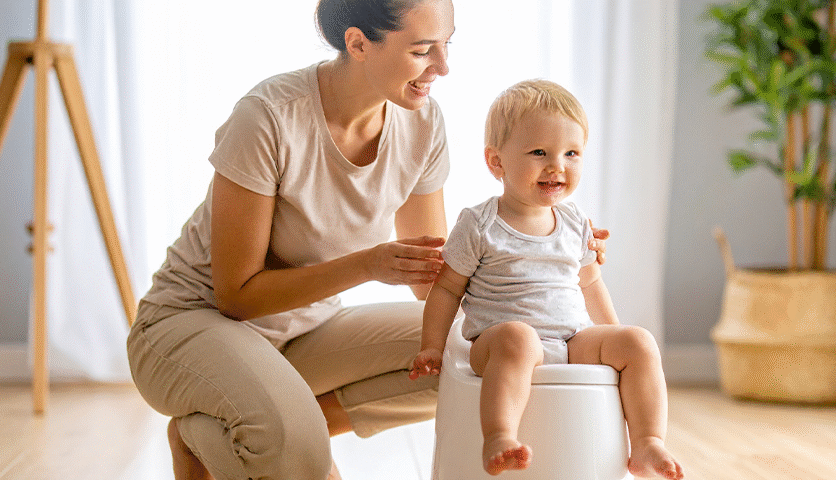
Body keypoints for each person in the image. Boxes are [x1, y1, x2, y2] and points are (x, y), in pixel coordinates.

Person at [126, 2, 607, 479]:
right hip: (191, 322)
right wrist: (367, 265)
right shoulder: (269, 117)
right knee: (295, 448)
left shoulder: (422, 123)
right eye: (422, 50)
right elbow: (236, 296)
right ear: (358, 44)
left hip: (305, 331)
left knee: (470, 353)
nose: (442, 67)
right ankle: (254, 433)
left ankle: (267, 426)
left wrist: (550, 250)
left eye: (447, 45)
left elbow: (434, 281)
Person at [409, 80, 684, 479]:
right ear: (496, 162)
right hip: (499, 343)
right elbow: (448, 288)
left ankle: (646, 442)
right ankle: (499, 436)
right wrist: (432, 346)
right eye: (539, 152)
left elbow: (591, 284)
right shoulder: (480, 224)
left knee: (639, 342)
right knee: (519, 337)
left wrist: (613, 334)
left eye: (571, 153)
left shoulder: (574, 222)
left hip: (570, 339)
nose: (557, 166)